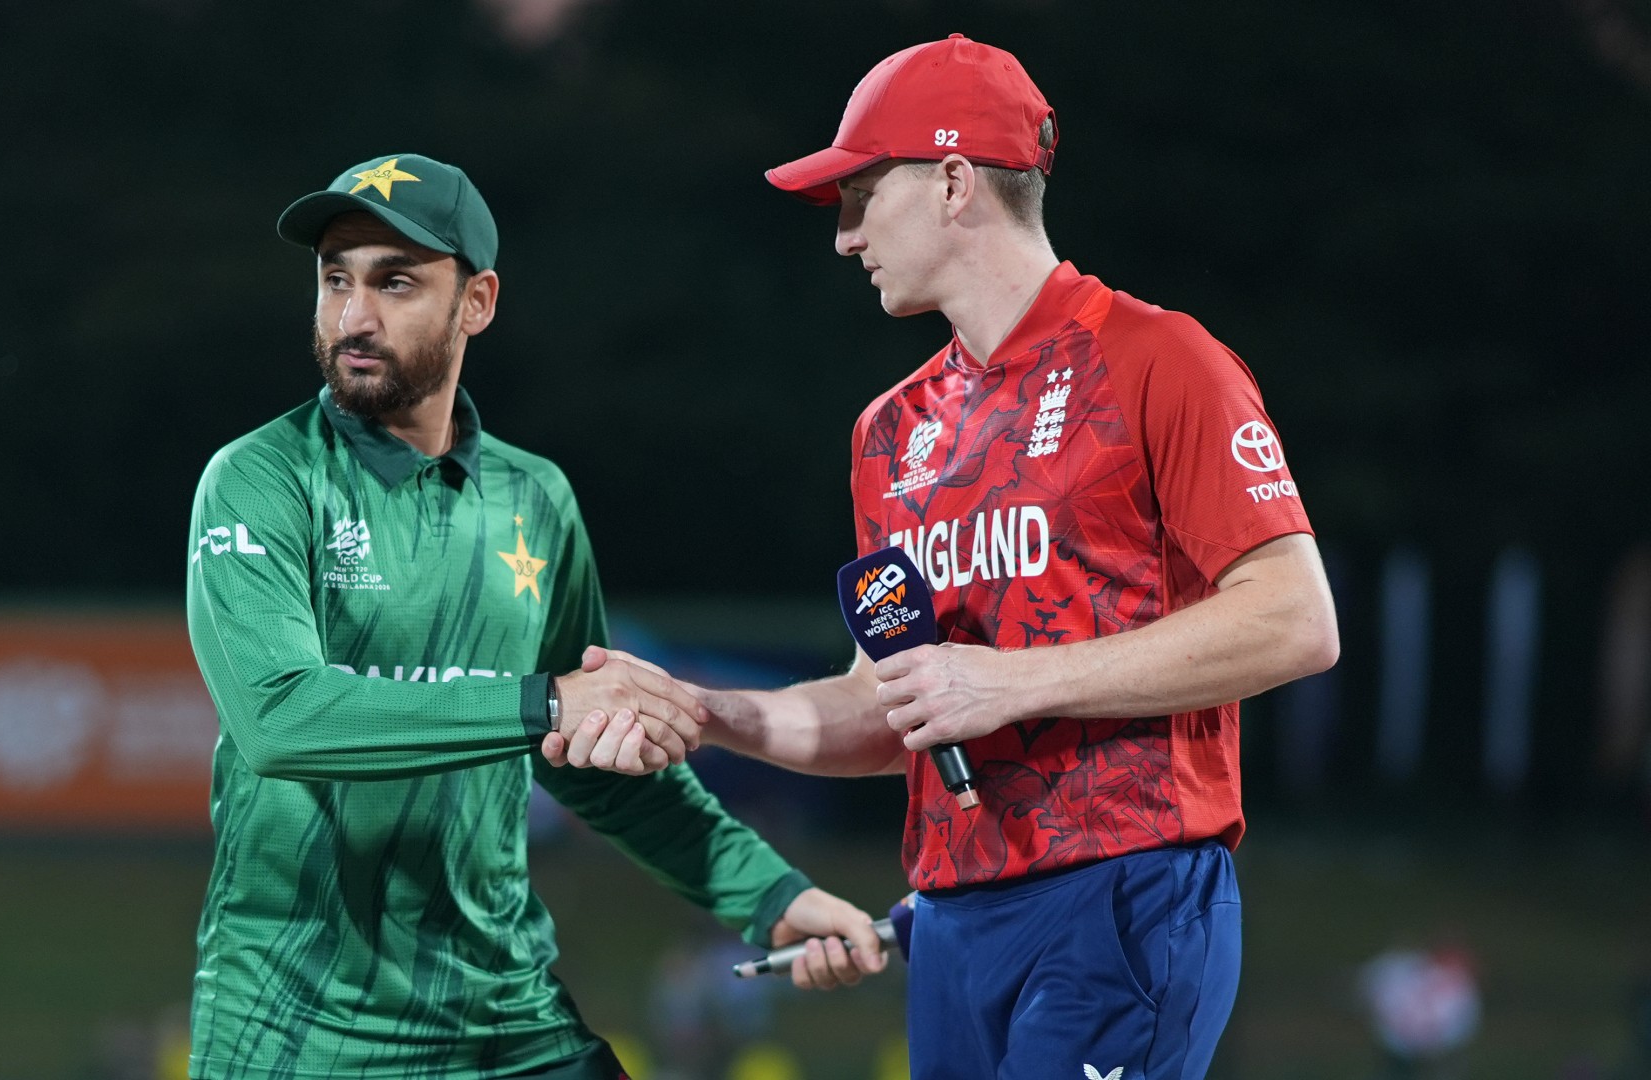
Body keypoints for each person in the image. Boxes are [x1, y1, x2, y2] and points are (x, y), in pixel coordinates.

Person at [557, 34, 1338, 1080]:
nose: (842, 238)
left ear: (955, 182)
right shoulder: (889, 431)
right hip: (952, 921)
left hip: (1121, 893)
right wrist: (701, 712)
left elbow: (1296, 617)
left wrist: (1007, 681)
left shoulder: (1160, 359)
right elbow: (892, 707)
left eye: (860, 195)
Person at [184, 153, 885, 1080]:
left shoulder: (534, 499)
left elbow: (597, 767)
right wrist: (547, 701)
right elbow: (278, 717)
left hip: (506, 1019)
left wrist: (772, 897)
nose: (354, 316)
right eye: (335, 279)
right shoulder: (260, 480)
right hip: (298, 1031)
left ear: (476, 303)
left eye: (396, 282)